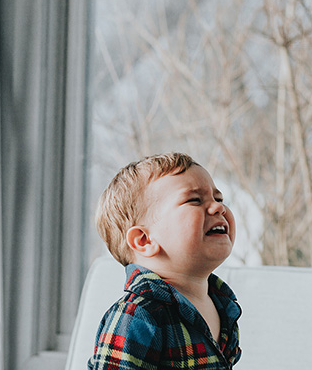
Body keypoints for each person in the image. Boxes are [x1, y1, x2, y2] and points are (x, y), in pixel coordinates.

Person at [88, 152, 242, 369]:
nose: (219, 208)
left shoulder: (223, 306)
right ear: (144, 240)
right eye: (195, 200)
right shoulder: (137, 314)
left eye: (218, 198)